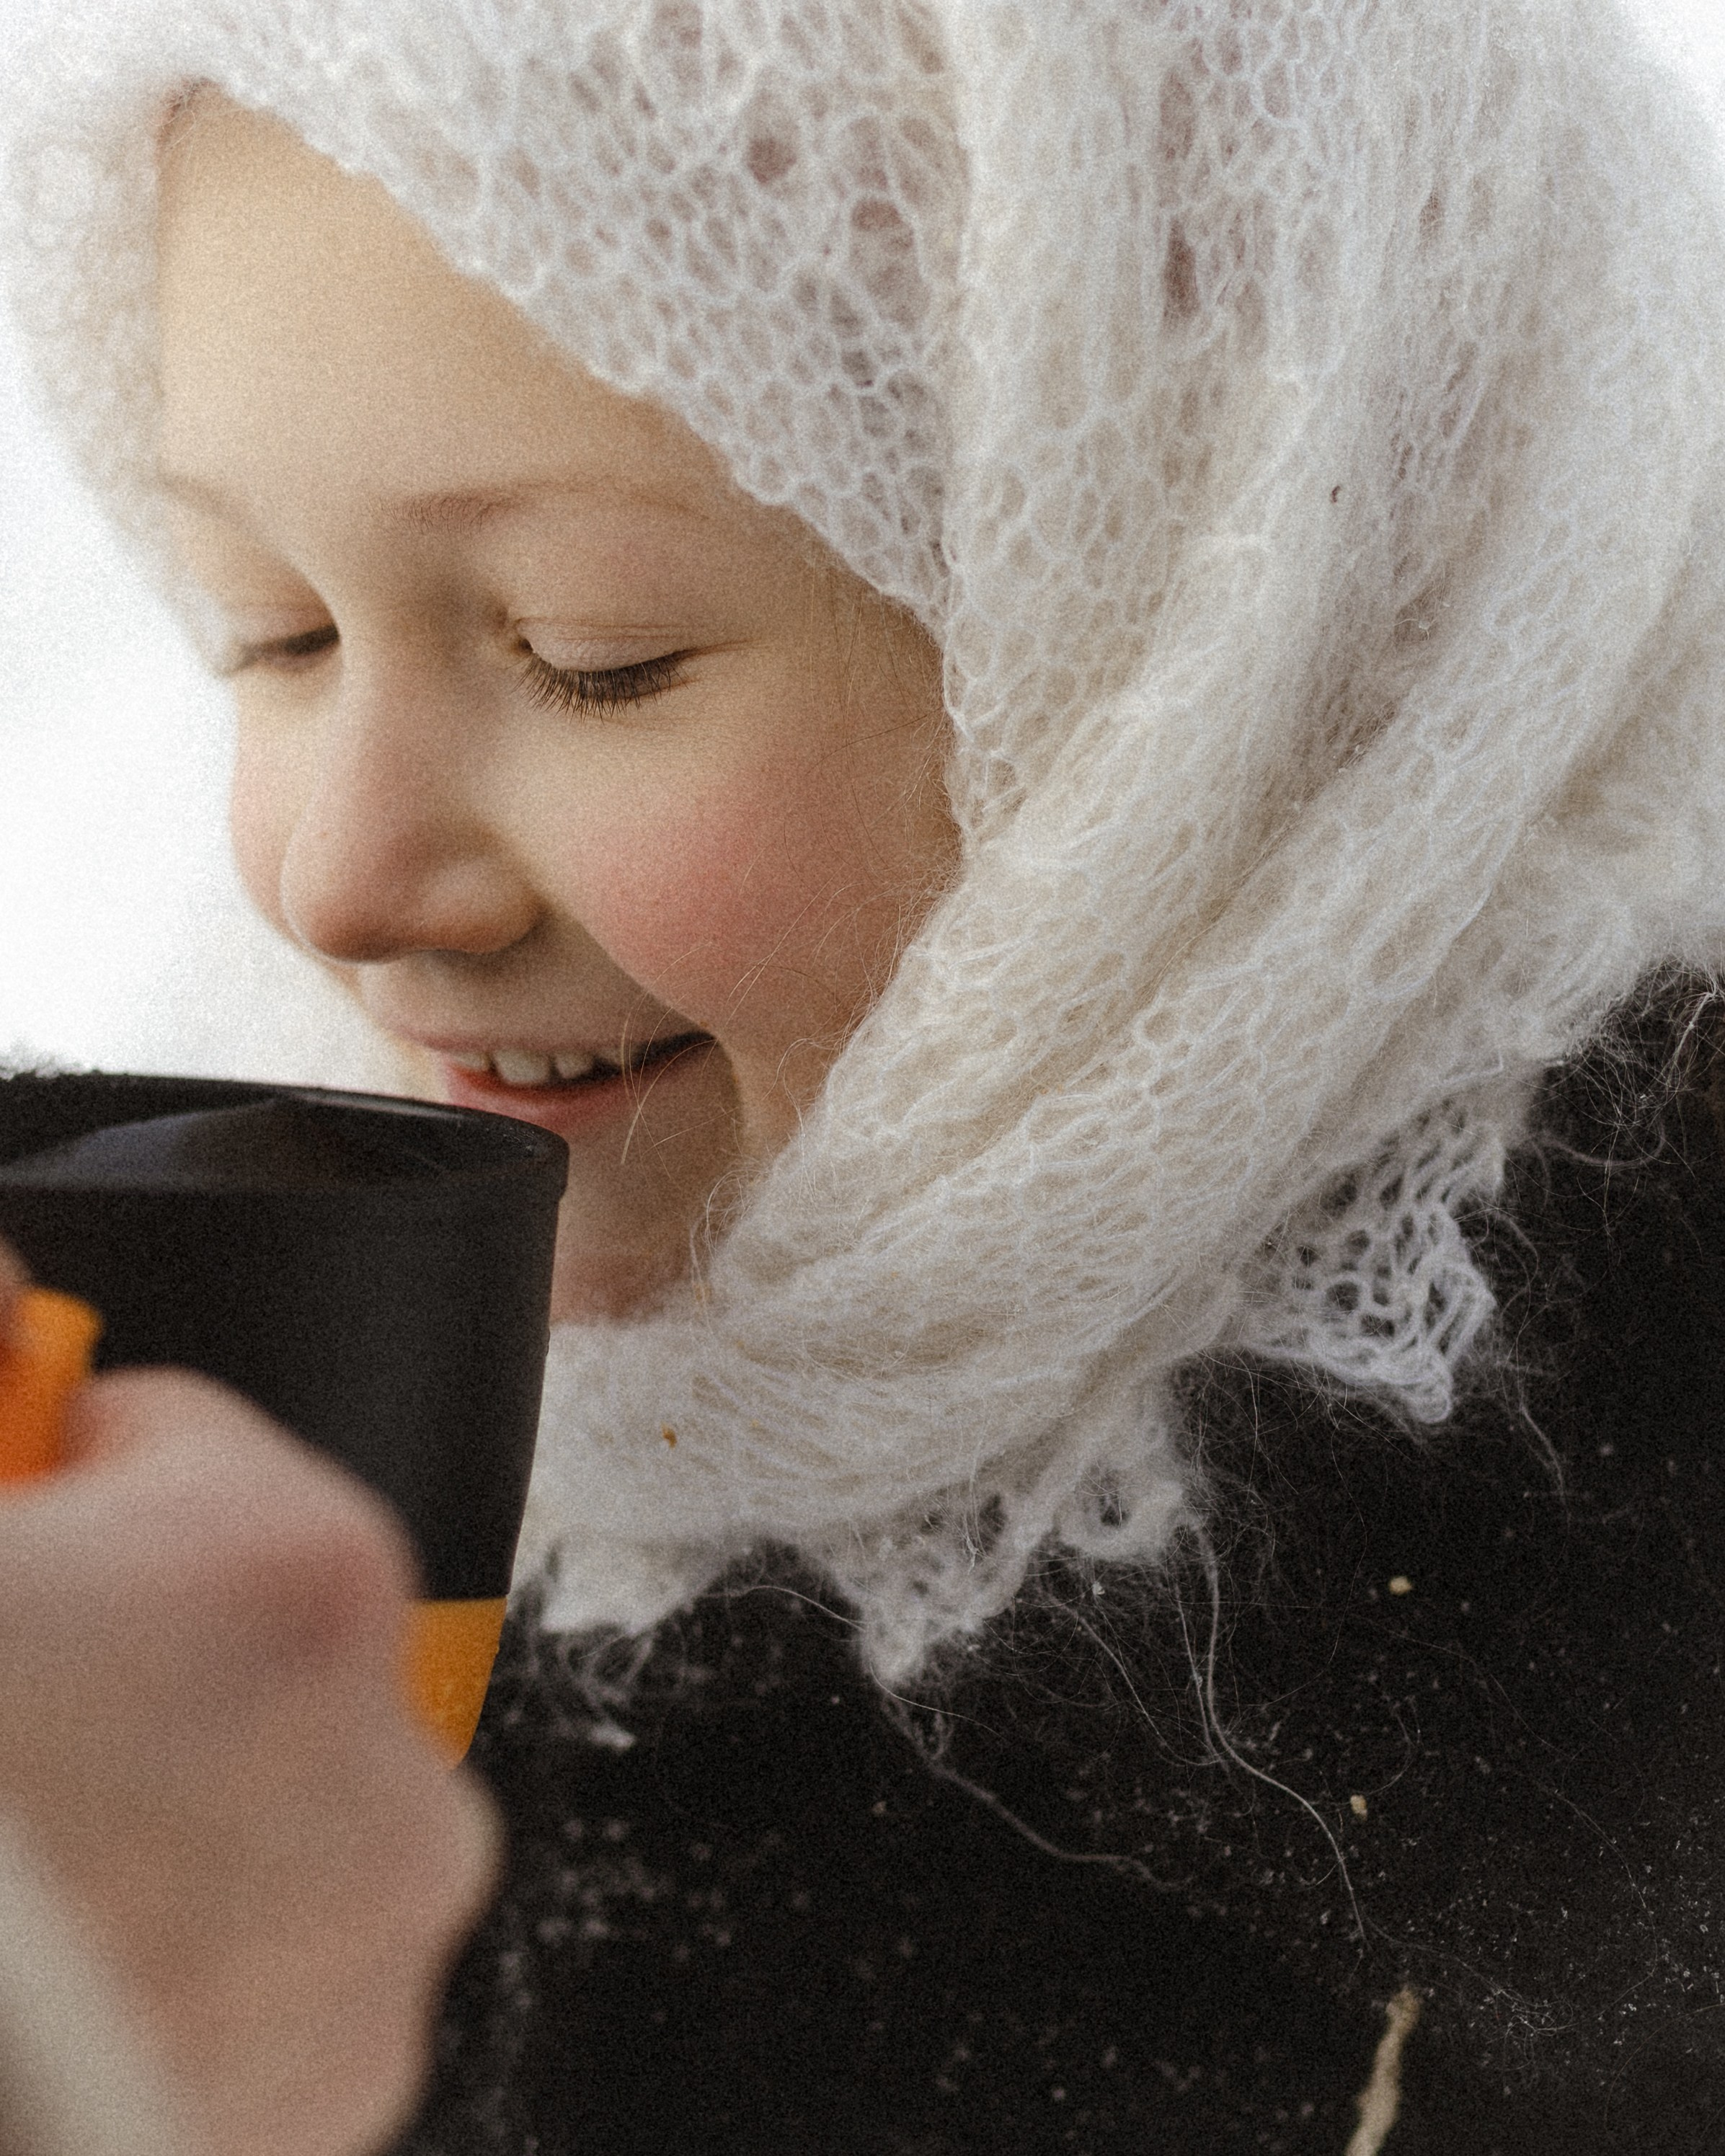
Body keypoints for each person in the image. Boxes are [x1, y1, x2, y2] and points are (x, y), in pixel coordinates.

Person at [4, 0, 1725, 2147]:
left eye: (589, 651)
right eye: (273, 631)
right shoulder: (225, 1304)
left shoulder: (1609, 1564)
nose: (335, 884)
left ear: (1221, 631)